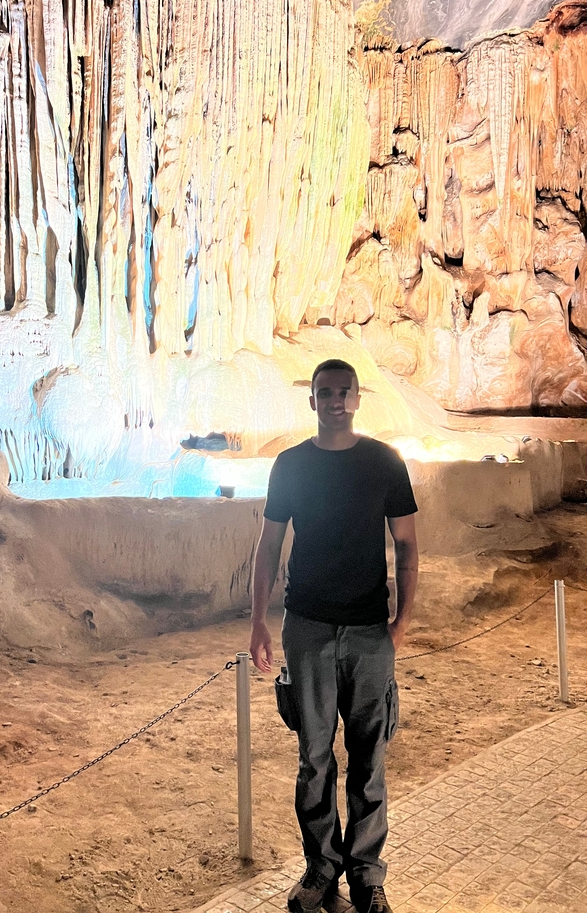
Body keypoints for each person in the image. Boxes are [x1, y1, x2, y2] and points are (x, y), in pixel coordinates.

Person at [249, 359, 419, 913]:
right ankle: (321, 869)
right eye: (326, 393)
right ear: (313, 400)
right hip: (309, 627)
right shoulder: (291, 465)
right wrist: (258, 621)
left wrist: (402, 623)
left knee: (369, 757)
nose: (336, 401)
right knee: (314, 757)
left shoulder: (384, 463)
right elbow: (269, 546)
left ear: (357, 397)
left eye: (344, 392)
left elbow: (408, 545)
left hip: (370, 629)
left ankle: (367, 877)